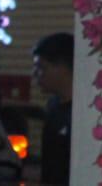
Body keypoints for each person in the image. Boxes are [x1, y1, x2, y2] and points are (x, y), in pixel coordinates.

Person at [32, 32, 73, 186]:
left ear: (63, 68)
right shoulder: (52, 106)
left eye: (41, 68)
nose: (35, 74)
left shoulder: (79, 113)